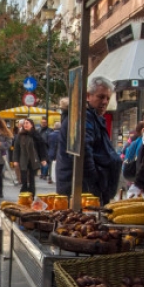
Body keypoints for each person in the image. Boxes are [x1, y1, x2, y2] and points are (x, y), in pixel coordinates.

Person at [56, 76, 122, 205]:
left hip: (88, 187)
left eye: (108, 98)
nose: (105, 102)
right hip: (83, 189)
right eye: (101, 97)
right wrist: (95, 182)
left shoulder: (93, 118)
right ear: (88, 96)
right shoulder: (84, 119)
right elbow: (84, 153)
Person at [12, 118, 47, 197]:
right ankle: (23, 196)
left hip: (33, 160)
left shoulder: (36, 135)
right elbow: (16, 149)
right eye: (24, 123)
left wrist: (43, 159)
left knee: (32, 179)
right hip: (23, 160)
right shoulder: (20, 136)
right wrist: (15, 160)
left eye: (27, 123)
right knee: (23, 179)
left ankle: (31, 196)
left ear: (32, 125)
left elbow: (41, 148)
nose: (26, 125)